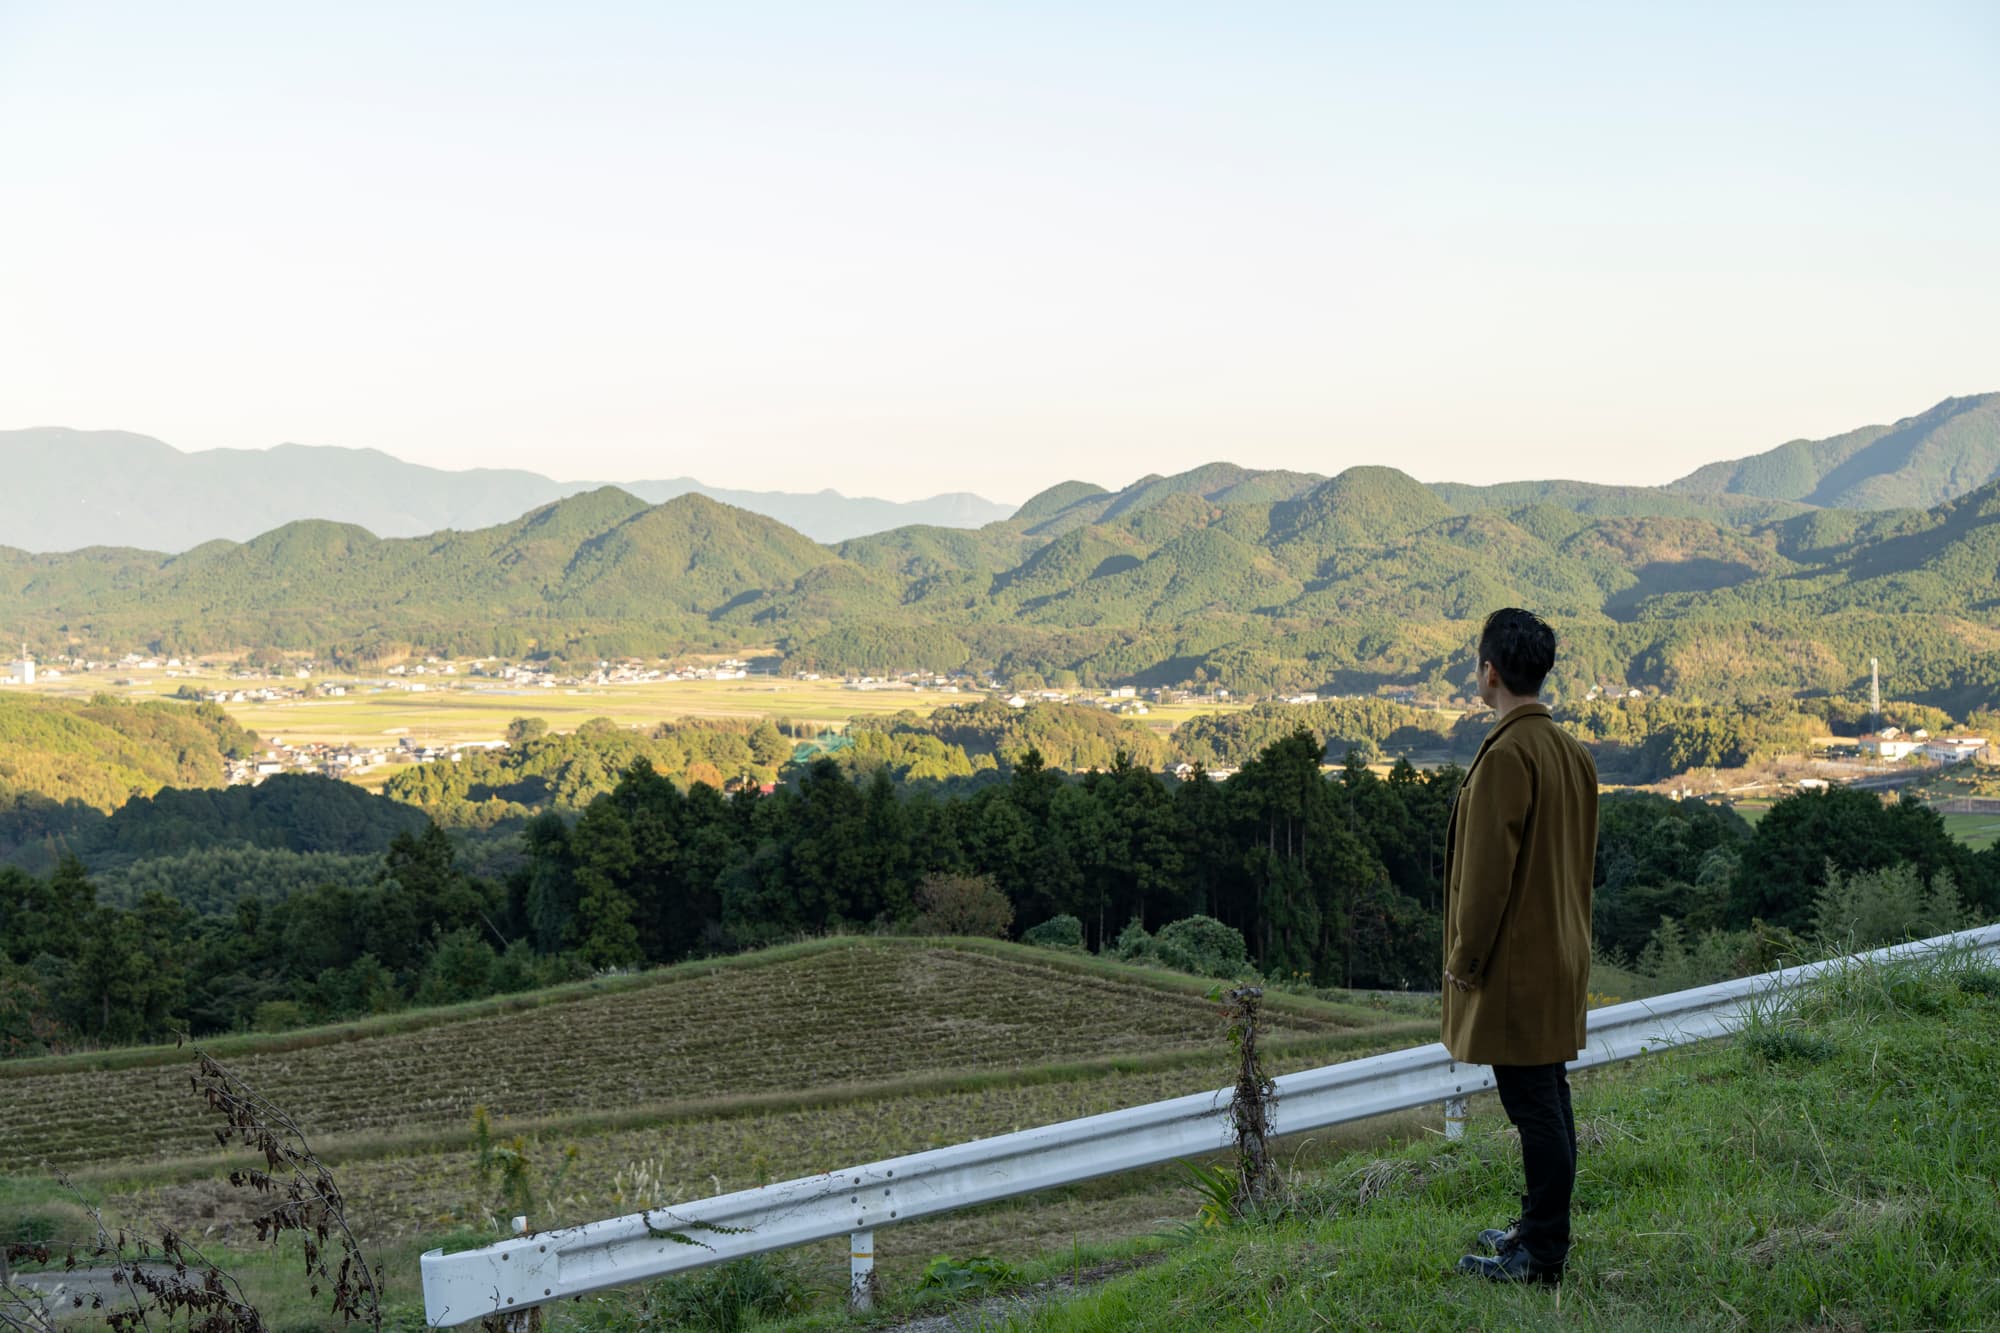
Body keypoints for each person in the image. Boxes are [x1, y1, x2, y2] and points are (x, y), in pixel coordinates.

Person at [1442, 607, 1598, 1285]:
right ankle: (1536, 1232)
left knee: (1535, 1107)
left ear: (1489, 671)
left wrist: (1464, 962)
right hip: (1561, 952)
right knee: (1549, 1097)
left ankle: (1541, 1253)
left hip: (1516, 967)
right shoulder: (1569, 751)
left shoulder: (1508, 754)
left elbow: (1483, 881)